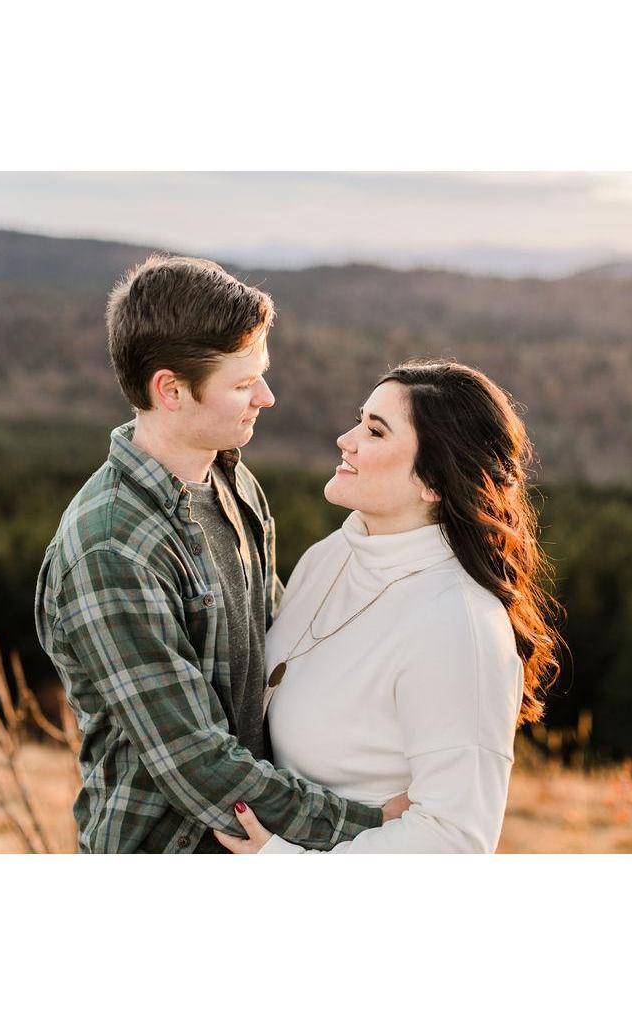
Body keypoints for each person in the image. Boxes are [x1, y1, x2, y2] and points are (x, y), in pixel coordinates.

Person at [35, 254, 407, 853]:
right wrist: (371, 828)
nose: (267, 396)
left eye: (260, 374)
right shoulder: (112, 551)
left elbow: (284, 650)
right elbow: (199, 763)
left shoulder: (233, 482)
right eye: (242, 384)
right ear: (171, 390)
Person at [213, 359, 561, 853]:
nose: (346, 439)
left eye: (375, 432)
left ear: (432, 480)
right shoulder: (330, 557)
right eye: (360, 420)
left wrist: (284, 863)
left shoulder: (457, 623)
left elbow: (454, 842)